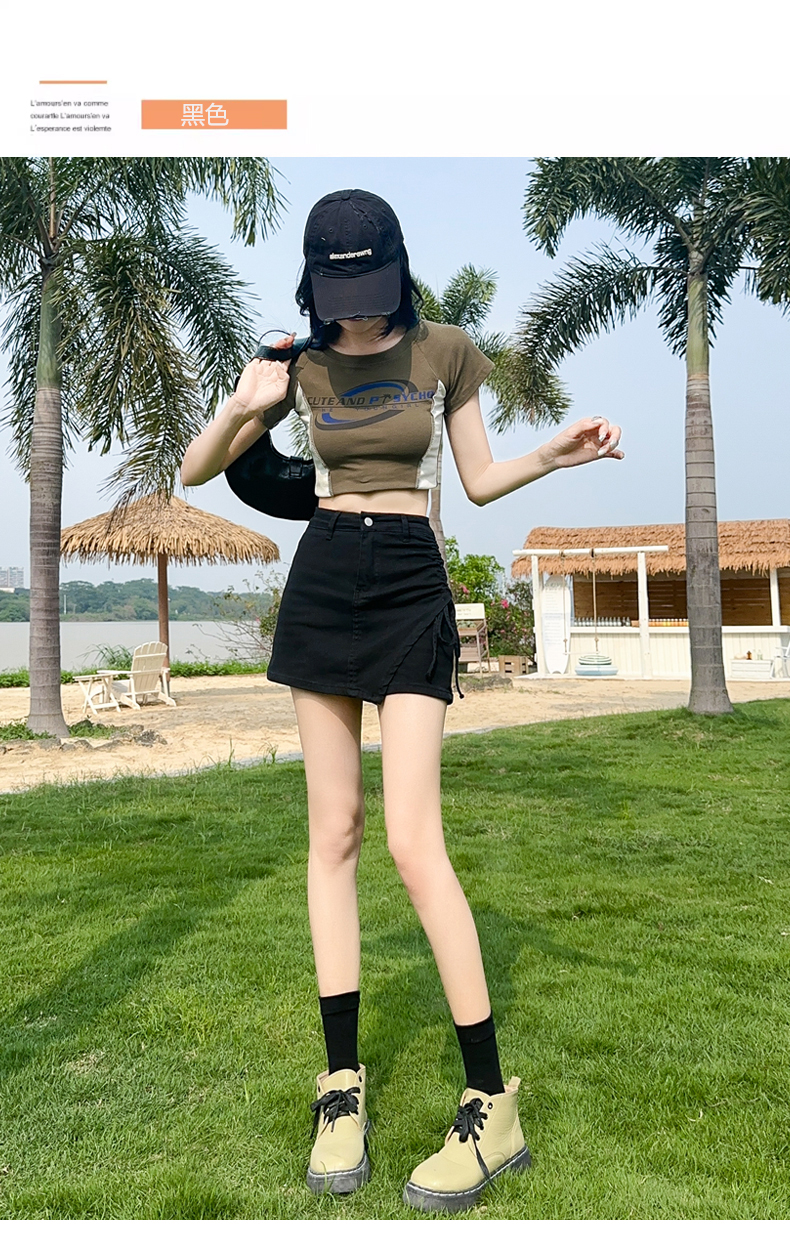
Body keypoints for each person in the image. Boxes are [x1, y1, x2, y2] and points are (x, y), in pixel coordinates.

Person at [180, 188, 623, 1213]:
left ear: (397, 269)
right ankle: (341, 1085)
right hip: (325, 575)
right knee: (331, 831)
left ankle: (489, 1100)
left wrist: (554, 454)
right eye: (344, 295)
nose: (362, 312)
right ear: (317, 285)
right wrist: (244, 403)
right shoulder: (298, 365)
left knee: (413, 841)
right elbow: (197, 470)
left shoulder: (445, 350)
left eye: (374, 289)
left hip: (411, 578)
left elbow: (476, 478)